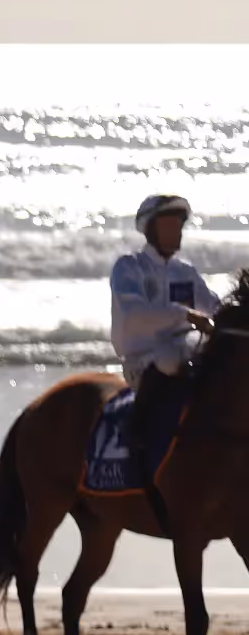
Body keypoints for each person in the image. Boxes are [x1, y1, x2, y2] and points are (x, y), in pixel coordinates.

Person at [110, 194, 220, 461]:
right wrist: (186, 316)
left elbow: (216, 308)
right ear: (150, 230)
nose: (176, 233)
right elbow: (135, 316)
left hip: (183, 352)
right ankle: (135, 431)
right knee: (170, 358)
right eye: (168, 226)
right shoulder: (128, 267)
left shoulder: (186, 272)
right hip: (142, 362)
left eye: (178, 227)